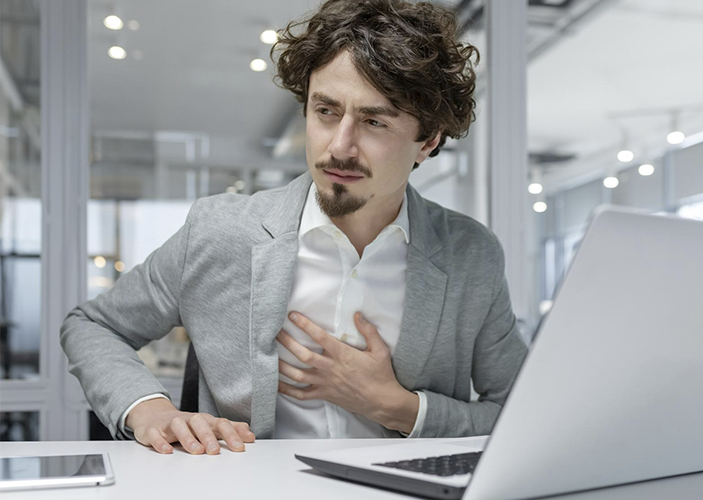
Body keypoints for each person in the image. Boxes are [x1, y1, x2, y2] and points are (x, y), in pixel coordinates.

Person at [61, 0, 527, 456]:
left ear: (428, 140)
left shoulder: (471, 255)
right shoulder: (219, 232)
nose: (340, 146)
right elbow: (93, 326)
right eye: (326, 112)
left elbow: (517, 411)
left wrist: (400, 408)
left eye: (373, 121)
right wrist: (150, 411)